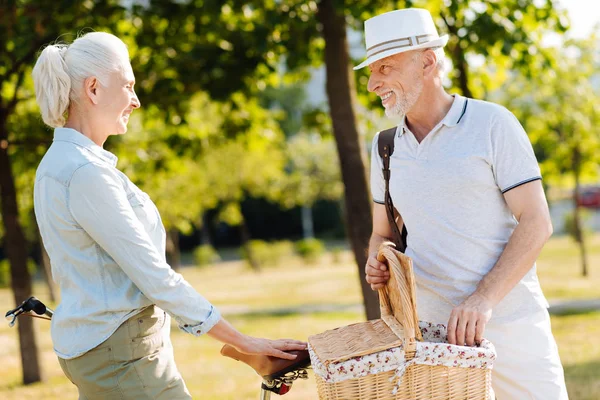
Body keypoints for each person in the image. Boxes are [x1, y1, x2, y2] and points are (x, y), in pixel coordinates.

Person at [32, 31, 306, 400]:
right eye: (128, 86)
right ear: (93, 89)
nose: (136, 100)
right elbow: (154, 277)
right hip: (123, 359)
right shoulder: (85, 173)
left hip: (109, 354)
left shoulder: (60, 165)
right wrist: (245, 342)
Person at [358, 8, 568, 399]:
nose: (373, 83)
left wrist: (482, 299)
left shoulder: (493, 124)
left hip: (513, 327)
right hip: (434, 342)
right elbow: (381, 233)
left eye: (384, 68)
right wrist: (380, 258)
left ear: (426, 61)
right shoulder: (384, 146)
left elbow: (536, 221)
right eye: (371, 71)